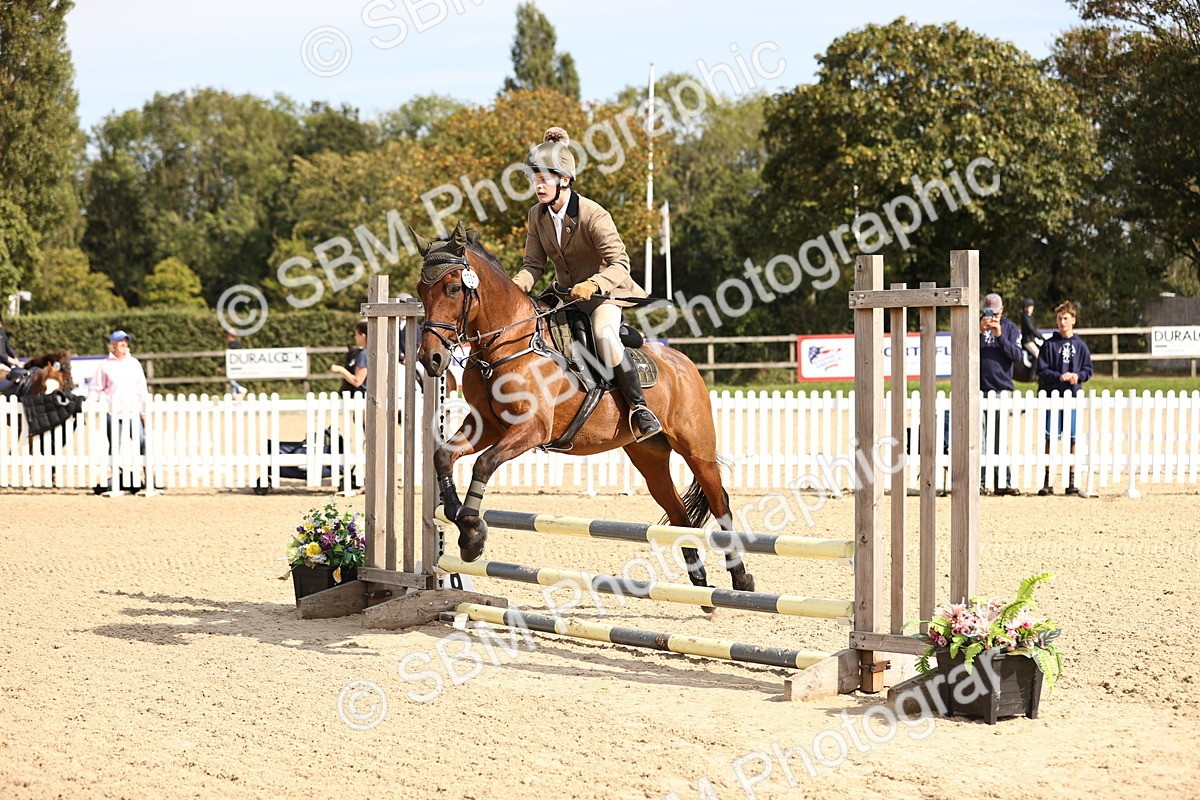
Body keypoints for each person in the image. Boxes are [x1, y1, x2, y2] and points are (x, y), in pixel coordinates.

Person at [511, 126, 662, 441]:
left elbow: (620, 263)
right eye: (534, 178)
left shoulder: (593, 214)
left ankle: (639, 409)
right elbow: (533, 265)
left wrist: (593, 284)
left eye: (544, 178)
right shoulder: (536, 216)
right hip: (565, 295)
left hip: (605, 295)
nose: (538, 185)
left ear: (564, 180)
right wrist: (515, 286)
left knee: (603, 334)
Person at [1035, 301, 1093, 496]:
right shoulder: (1049, 345)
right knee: (1050, 439)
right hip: (1053, 398)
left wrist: (1078, 376)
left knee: (1073, 438)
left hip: (1073, 398)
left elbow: (1088, 369)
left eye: (1066, 318)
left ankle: (1071, 480)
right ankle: (1048, 481)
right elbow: (1041, 370)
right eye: (1059, 318)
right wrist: (1058, 377)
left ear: (1073, 320)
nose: (1062, 322)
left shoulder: (1081, 346)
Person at [88, 330, 151, 492]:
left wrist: (144, 412)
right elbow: (96, 388)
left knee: (142, 442)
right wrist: (90, 405)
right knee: (115, 445)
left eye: (125, 341)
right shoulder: (105, 365)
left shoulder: (134, 364)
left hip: (133, 411)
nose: (124, 344)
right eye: (120, 341)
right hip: (112, 412)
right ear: (113, 345)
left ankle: (149, 475)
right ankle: (118, 475)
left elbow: (141, 389)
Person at [979, 293, 1024, 495]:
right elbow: (962, 350)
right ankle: (979, 482)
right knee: (978, 440)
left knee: (999, 438)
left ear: (1002, 310)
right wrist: (979, 331)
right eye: (988, 312)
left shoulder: (1010, 328)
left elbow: (1016, 355)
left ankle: (1002, 482)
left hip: (1001, 388)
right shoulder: (976, 325)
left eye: (995, 313)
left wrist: (999, 335)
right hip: (978, 389)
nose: (992, 316)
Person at [331, 320, 368, 396]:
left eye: (356, 335)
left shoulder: (364, 354)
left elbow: (357, 381)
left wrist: (340, 370)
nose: (355, 338)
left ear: (363, 336)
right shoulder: (376, 352)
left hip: (363, 396)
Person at [224, 331, 246, 397]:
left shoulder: (231, 345)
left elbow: (229, 356)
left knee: (230, 378)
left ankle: (240, 388)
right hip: (238, 363)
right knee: (233, 378)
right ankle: (234, 393)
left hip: (233, 364)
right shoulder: (239, 344)